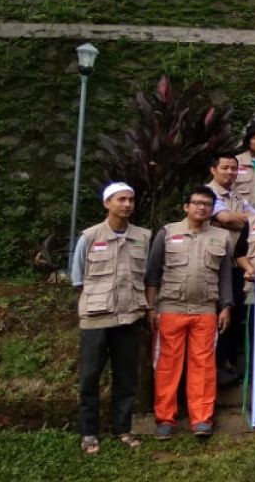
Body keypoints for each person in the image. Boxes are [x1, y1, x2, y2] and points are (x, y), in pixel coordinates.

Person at [144, 186, 234, 440]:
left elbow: (226, 276)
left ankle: (202, 419)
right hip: (170, 307)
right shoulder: (167, 233)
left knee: (203, 366)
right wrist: (151, 307)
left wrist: (226, 306)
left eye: (207, 204)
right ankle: (165, 419)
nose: (202, 207)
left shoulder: (221, 237)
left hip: (206, 309)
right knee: (166, 366)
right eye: (196, 203)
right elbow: (152, 274)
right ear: (186, 206)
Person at [72, 182, 150, 454]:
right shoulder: (90, 237)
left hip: (130, 317)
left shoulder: (143, 236)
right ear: (107, 203)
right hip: (96, 318)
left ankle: (122, 429)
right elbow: (78, 277)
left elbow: (147, 274)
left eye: (130, 199)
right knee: (90, 377)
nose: (127, 204)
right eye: (120, 199)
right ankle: (89, 432)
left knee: (126, 377)